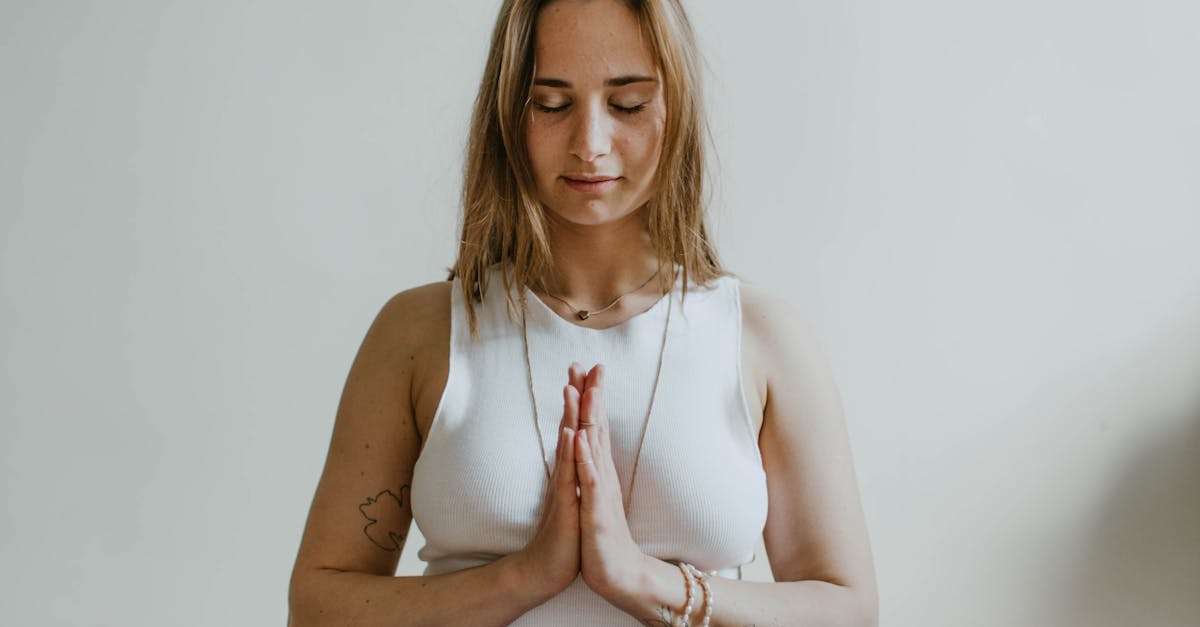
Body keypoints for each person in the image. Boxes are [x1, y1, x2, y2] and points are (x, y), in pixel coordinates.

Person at [288, 0, 878, 624]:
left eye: (627, 104)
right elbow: (318, 606)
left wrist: (646, 581)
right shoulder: (419, 334)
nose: (590, 143)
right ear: (508, 115)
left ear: (675, 109)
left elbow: (848, 609)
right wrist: (524, 576)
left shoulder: (762, 338)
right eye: (551, 104)